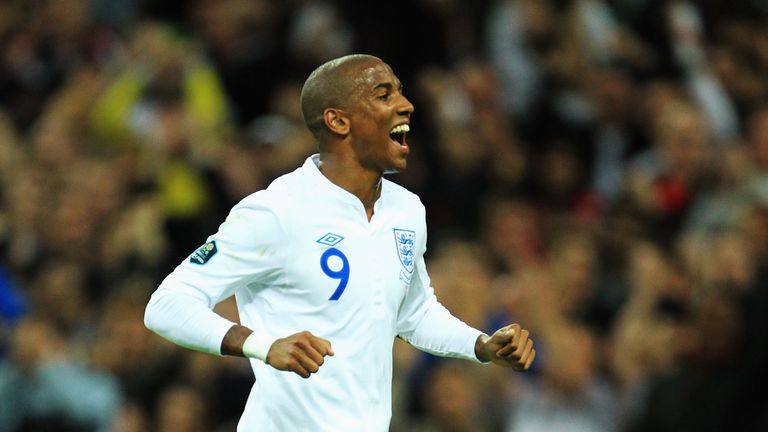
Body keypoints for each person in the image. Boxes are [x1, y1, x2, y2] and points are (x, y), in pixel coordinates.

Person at [144, 54, 536, 431]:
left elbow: (413, 313)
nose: (407, 105)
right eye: (384, 95)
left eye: (400, 91)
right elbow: (167, 305)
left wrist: (480, 345)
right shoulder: (276, 212)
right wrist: (262, 345)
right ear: (337, 120)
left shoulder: (407, 210)